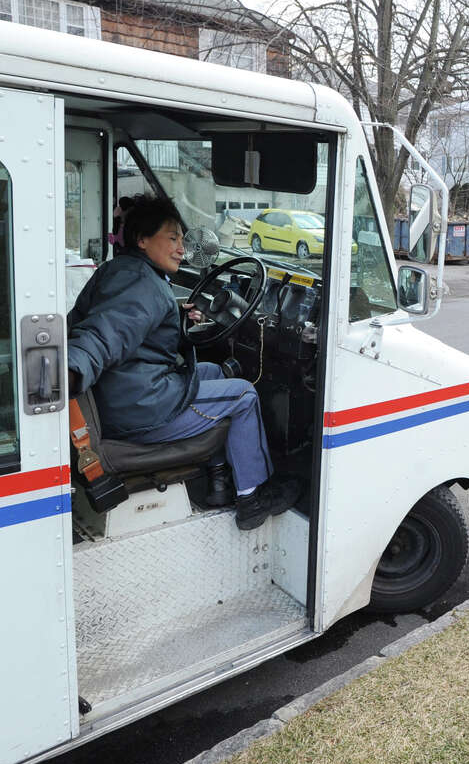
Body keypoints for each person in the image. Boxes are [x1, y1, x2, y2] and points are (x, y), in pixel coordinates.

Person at [66, 195, 297, 530]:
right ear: (142, 240)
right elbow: (106, 332)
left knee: (214, 371)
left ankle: (219, 480)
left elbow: (127, 321)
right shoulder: (141, 284)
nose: (180, 249)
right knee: (244, 396)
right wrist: (71, 369)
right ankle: (252, 498)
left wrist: (173, 315)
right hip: (141, 409)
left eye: (181, 240)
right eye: (172, 238)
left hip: (122, 395)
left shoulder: (123, 270)